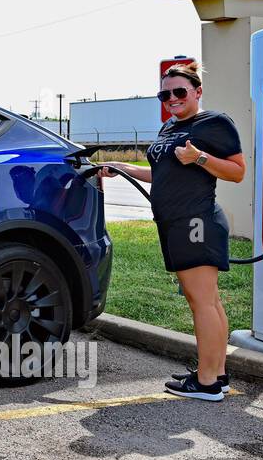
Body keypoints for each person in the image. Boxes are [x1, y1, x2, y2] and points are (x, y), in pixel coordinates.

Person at [101, 60, 245, 401]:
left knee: (201, 302)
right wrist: (120, 167)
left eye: (179, 91)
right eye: (165, 93)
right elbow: (163, 173)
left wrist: (199, 158)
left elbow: (238, 172)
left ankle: (208, 382)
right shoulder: (169, 127)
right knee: (209, 301)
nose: (172, 98)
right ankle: (217, 373)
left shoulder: (215, 123)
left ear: (197, 91)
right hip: (176, 222)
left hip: (196, 221)